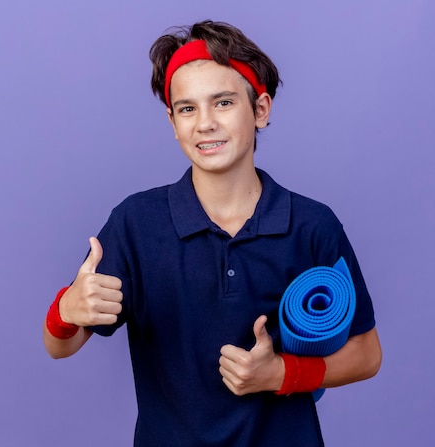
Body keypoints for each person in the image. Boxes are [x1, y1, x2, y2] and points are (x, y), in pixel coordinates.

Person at [43, 20, 382, 447]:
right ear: (172, 120)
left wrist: (280, 373)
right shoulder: (136, 223)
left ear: (260, 109)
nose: (204, 123)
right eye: (187, 108)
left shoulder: (313, 224)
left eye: (222, 102)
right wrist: (67, 310)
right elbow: (59, 346)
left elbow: (368, 355)